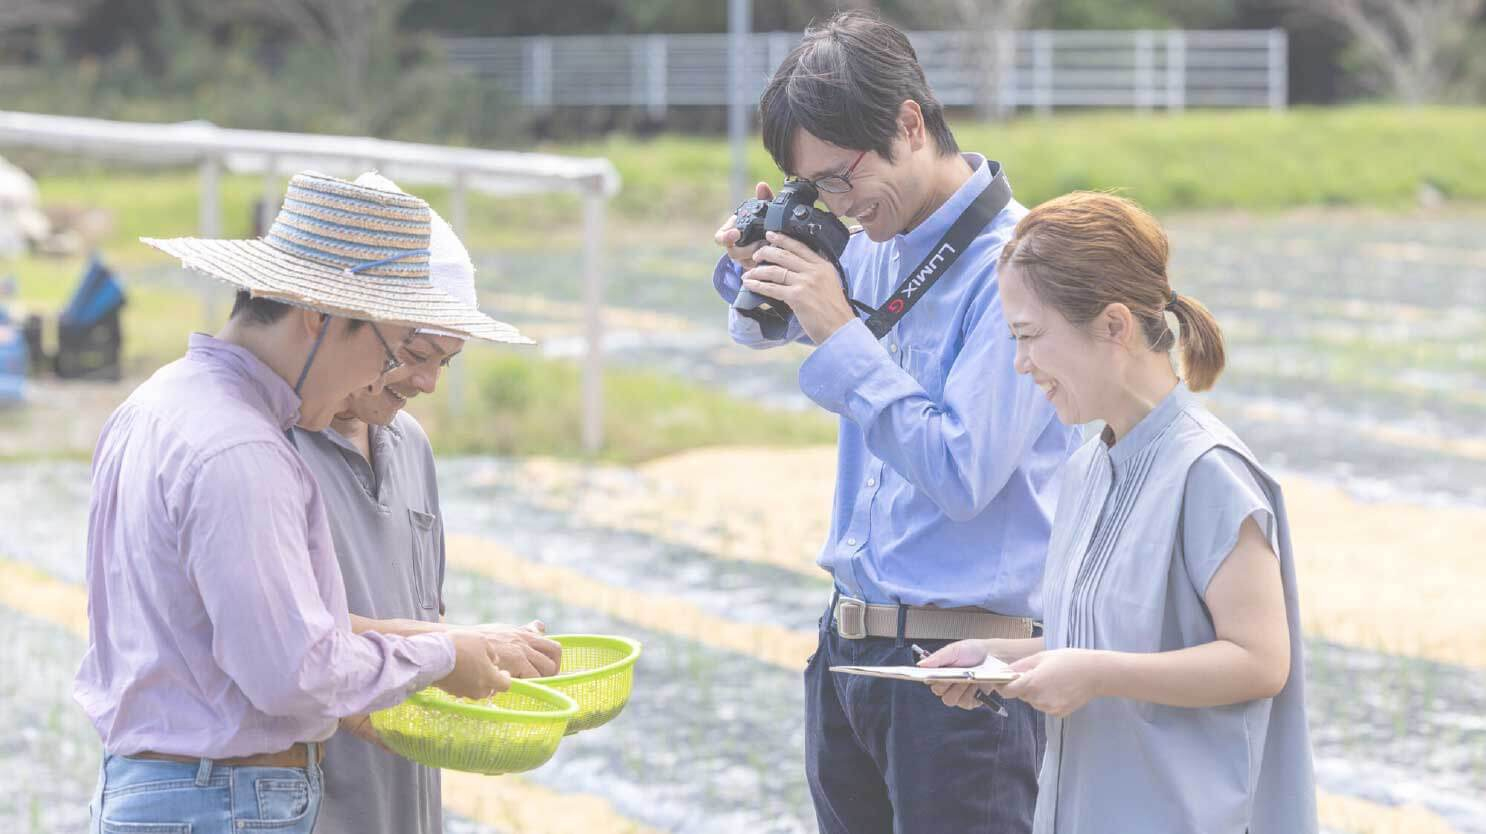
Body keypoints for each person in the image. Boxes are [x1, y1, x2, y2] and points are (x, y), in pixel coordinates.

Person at [709, 11, 1081, 833]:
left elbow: (962, 472)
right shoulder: (872, 238)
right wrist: (761, 264)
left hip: (965, 672)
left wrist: (839, 329)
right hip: (850, 652)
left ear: (910, 124)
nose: (838, 206)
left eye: (840, 179)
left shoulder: (1019, 268)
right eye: (814, 190)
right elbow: (758, 331)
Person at [76, 171, 530, 834]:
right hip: (224, 803)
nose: (382, 378)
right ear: (319, 317)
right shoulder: (243, 449)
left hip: (173, 792)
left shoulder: (156, 404)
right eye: (389, 349)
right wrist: (442, 656)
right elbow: (294, 671)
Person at [923, 191, 1317, 833]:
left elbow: (1260, 660)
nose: (1021, 364)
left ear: (1113, 325)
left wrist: (1096, 674)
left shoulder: (1208, 471)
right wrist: (998, 659)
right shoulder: (1087, 466)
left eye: (1029, 336)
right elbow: (1113, 644)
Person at [296, 172, 562, 834]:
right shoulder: (271, 449)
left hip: (406, 803)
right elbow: (290, 643)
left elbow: (426, 614)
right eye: (415, 353)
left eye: (447, 361)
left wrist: (483, 657)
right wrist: (454, 650)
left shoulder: (409, 443)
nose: (428, 382)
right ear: (345, 326)